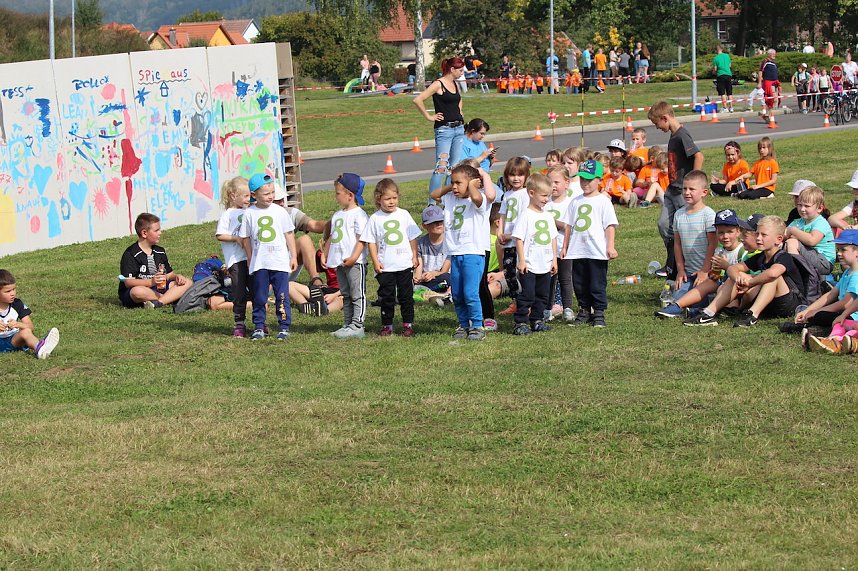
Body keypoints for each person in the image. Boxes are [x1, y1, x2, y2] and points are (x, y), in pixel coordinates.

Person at [684, 216, 804, 327]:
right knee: (739, 274)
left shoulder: (784, 256)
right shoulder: (761, 256)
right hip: (770, 305)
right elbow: (733, 268)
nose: (758, 238)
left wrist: (750, 282)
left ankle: (752, 315)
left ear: (778, 239)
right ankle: (708, 314)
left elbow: (772, 274)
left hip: (789, 305)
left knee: (772, 276)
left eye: (764, 235)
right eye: (757, 234)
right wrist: (739, 279)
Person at [430, 164, 491, 340]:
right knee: (457, 293)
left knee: (471, 292)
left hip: (473, 252)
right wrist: (452, 185)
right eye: (452, 183)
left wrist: (472, 186)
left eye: (458, 183)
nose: (455, 187)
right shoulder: (450, 198)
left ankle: (477, 326)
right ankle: (463, 325)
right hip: (456, 253)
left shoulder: (478, 200)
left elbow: (478, 200)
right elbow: (434, 195)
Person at [648, 100, 704, 279]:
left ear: (665, 118)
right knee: (664, 225)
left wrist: (694, 182)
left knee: (682, 227)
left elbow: (698, 155)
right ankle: (671, 262)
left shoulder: (681, 135)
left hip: (681, 190)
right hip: (671, 189)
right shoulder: (673, 135)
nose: (657, 127)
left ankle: (683, 264)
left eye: (657, 123)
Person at [560, 159, 619, 327]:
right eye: (582, 179)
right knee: (579, 282)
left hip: (596, 251)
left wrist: (610, 246)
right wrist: (565, 247)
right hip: (578, 250)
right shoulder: (575, 201)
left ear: (599, 179)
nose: (585, 183)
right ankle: (584, 309)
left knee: (597, 282)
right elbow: (569, 226)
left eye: (589, 179)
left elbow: (609, 226)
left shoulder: (603, 201)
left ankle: (598, 312)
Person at [240, 174, 298, 341]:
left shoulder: (280, 211)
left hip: (279, 262)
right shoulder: (249, 213)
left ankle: (284, 326)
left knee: (282, 295)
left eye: (272, 192)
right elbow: (245, 238)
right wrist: (250, 258)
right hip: (260, 263)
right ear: (253, 195)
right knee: (259, 296)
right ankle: (259, 326)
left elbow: (288, 233)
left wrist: (293, 255)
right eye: (266, 194)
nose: (271, 196)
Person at [656, 208, 744, 318]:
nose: (725, 236)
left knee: (720, 287)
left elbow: (743, 276)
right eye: (721, 232)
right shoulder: (719, 251)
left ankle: (703, 311)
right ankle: (676, 306)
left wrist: (726, 267)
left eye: (730, 232)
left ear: (738, 231)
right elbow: (717, 275)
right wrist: (712, 273)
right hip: (723, 287)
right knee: (709, 282)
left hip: (739, 291)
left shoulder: (742, 251)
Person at [361, 179, 420, 337]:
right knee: (387, 297)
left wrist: (415, 256)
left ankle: (408, 324)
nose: (392, 202)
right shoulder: (375, 218)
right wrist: (375, 261)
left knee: (406, 296)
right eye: (388, 199)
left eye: (394, 198)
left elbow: (412, 237)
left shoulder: (404, 214)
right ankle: (387, 324)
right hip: (386, 266)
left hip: (404, 264)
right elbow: (371, 242)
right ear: (378, 198)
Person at [413, 57, 466, 197]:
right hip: (444, 130)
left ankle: (449, 198)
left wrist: (460, 111)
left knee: (454, 167)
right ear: (452, 69)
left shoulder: (455, 84)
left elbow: (459, 99)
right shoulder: (438, 84)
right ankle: (433, 200)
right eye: (460, 70)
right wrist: (429, 116)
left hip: (459, 129)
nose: (462, 73)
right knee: (441, 167)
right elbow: (418, 99)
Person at [511, 174, 557, 335]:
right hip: (529, 264)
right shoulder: (525, 215)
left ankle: (537, 319)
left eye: (549, 196)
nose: (546, 199)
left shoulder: (548, 215)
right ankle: (521, 322)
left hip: (545, 263)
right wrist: (522, 260)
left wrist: (554, 260)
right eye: (544, 196)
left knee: (542, 295)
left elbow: (552, 238)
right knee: (527, 294)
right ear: (531, 193)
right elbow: (519, 239)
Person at [326, 173, 369, 339]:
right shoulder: (338, 215)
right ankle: (347, 323)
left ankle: (358, 324)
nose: (336, 197)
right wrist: (326, 253)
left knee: (357, 293)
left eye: (338, 193)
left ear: (350, 195)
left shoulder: (359, 215)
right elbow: (333, 236)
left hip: (355, 263)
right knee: (346, 293)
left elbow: (362, 239)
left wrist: (353, 257)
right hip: (340, 263)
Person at [118, 212, 192, 309]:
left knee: (188, 282)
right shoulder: (130, 254)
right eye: (156, 230)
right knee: (137, 292)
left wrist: (177, 276)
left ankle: (159, 302)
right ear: (144, 233)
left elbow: (169, 274)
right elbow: (129, 282)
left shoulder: (160, 251)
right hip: (140, 289)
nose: (160, 233)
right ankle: (170, 298)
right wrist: (151, 282)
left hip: (158, 288)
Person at [802, 229, 858, 353]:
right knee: (836, 321)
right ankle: (834, 341)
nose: (839, 254)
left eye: (843, 250)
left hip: (853, 317)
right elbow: (831, 294)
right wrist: (809, 310)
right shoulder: (848, 272)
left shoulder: (856, 275)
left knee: (823, 316)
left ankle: (836, 342)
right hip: (849, 317)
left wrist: (817, 311)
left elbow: (846, 303)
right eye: (838, 250)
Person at [671, 170, 717, 299]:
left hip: (707, 272)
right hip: (688, 272)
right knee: (678, 297)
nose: (686, 192)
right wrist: (680, 270)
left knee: (699, 299)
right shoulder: (678, 214)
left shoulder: (708, 215)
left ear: (704, 192)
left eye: (692, 189)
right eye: (684, 188)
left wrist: (704, 271)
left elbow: (712, 244)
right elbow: (677, 244)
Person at [215, 176, 252, 337]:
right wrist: (235, 238)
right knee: (239, 292)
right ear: (232, 196)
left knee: (257, 289)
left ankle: (259, 322)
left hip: (251, 258)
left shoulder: (250, 212)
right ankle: (239, 323)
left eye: (250, 195)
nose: (248, 199)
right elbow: (220, 235)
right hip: (236, 261)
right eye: (245, 196)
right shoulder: (228, 214)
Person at [496, 157, 531, 315]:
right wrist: (500, 232)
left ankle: (527, 303)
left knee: (522, 273)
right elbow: (503, 216)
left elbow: (524, 219)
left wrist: (511, 235)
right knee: (509, 273)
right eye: (512, 175)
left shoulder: (526, 194)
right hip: (508, 242)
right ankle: (516, 301)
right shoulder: (507, 195)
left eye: (520, 175)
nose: (516, 178)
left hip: (519, 241)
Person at [0, 269, 59, 359]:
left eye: (14, 289)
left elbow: (30, 326)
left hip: (13, 340)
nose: (12, 294)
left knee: (26, 331)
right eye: (8, 291)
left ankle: (39, 348)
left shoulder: (17, 304)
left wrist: (18, 324)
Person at [785, 186, 835, 276]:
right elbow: (784, 235)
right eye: (799, 205)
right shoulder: (798, 222)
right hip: (809, 257)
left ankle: (794, 275)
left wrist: (793, 231)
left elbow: (812, 240)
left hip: (823, 261)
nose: (802, 209)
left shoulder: (820, 222)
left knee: (792, 242)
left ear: (819, 208)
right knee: (782, 244)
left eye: (807, 206)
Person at [545, 166, 573, 320]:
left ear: (567, 183)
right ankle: (547, 308)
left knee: (565, 278)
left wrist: (555, 222)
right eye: (550, 182)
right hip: (547, 249)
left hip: (565, 247)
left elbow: (571, 226)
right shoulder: (545, 201)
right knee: (549, 279)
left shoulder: (570, 203)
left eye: (557, 182)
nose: (553, 185)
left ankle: (567, 307)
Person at [414, 205, 451, 300]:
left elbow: (444, 271)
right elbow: (418, 270)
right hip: (427, 279)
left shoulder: (450, 242)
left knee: (448, 278)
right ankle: (434, 294)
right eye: (434, 222)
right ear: (425, 226)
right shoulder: (420, 243)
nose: (439, 224)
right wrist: (418, 277)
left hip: (442, 278)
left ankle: (427, 293)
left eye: (440, 221)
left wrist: (434, 274)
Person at [712, 45, 734, 112]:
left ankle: (725, 107)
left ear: (717, 50)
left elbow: (715, 69)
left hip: (721, 75)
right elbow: (730, 65)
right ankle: (731, 107)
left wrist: (713, 72)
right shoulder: (727, 56)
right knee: (729, 92)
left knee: (722, 92)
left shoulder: (716, 58)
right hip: (728, 74)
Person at [759, 49, 780, 119]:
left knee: (775, 100)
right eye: (773, 53)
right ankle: (768, 115)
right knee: (772, 99)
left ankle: (768, 115)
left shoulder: (774, 63)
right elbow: (760, 71)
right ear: (769, 54)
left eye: (775, 53)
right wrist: (759, 82)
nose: (774, 55)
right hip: (768, 82)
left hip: (774, 83)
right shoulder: (765, 62)